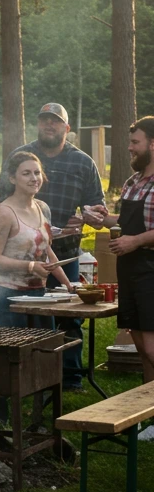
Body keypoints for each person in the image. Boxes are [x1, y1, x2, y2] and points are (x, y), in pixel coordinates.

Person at [0, 102, 106, 393]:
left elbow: (97, 207)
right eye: (45, 120)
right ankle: (32, 376)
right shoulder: (21, 156)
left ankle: (69, 378)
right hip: (21, 255)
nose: (49, 125)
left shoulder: (83, 162)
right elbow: (2, 197)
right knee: (28, 317)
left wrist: (86, 217)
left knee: (69, 317)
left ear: (66, 128)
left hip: (65, 253)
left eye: (55, 121)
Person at [0, 150, 76, 425]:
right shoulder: (4, 213)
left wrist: (68, 283)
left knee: (44, 356)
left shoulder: (42, 208)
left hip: (39, 296)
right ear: (12, 178)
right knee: (8, 358)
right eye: (26, 173)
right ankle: (4, 414)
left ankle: (38, 413)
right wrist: (28, 268)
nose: (34, 178)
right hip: (8, 296)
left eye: (37, 172)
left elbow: (46, 250)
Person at [98, 117, 154, 441]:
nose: (130, 147)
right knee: (142, 349)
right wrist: (102, 219)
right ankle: (149, 415)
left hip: (150, 268)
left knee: (152, 347)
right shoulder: (133, 181)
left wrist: (137, 241)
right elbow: (126, 220)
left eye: (135, 142)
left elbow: (140, 231)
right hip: (128, 272)